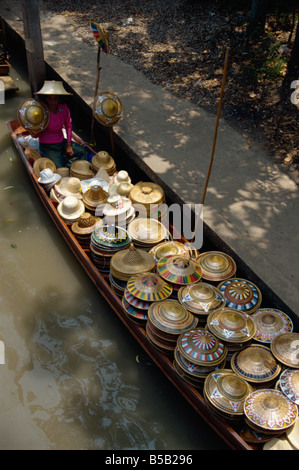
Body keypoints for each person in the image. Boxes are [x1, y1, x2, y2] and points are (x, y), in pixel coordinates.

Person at [33, 80, 88, 168]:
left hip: (61, 142)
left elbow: (68, 126)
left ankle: (69, 163)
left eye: (55, 98)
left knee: (82, 152)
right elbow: (37, 134)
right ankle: (67, 163)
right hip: (48, 146)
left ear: (59, 99)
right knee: (61, 168)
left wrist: (69, 144)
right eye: (50, 98)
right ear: (46, 99)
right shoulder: (42, 113)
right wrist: (34, 133)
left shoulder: (64, 108)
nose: (53, 102)